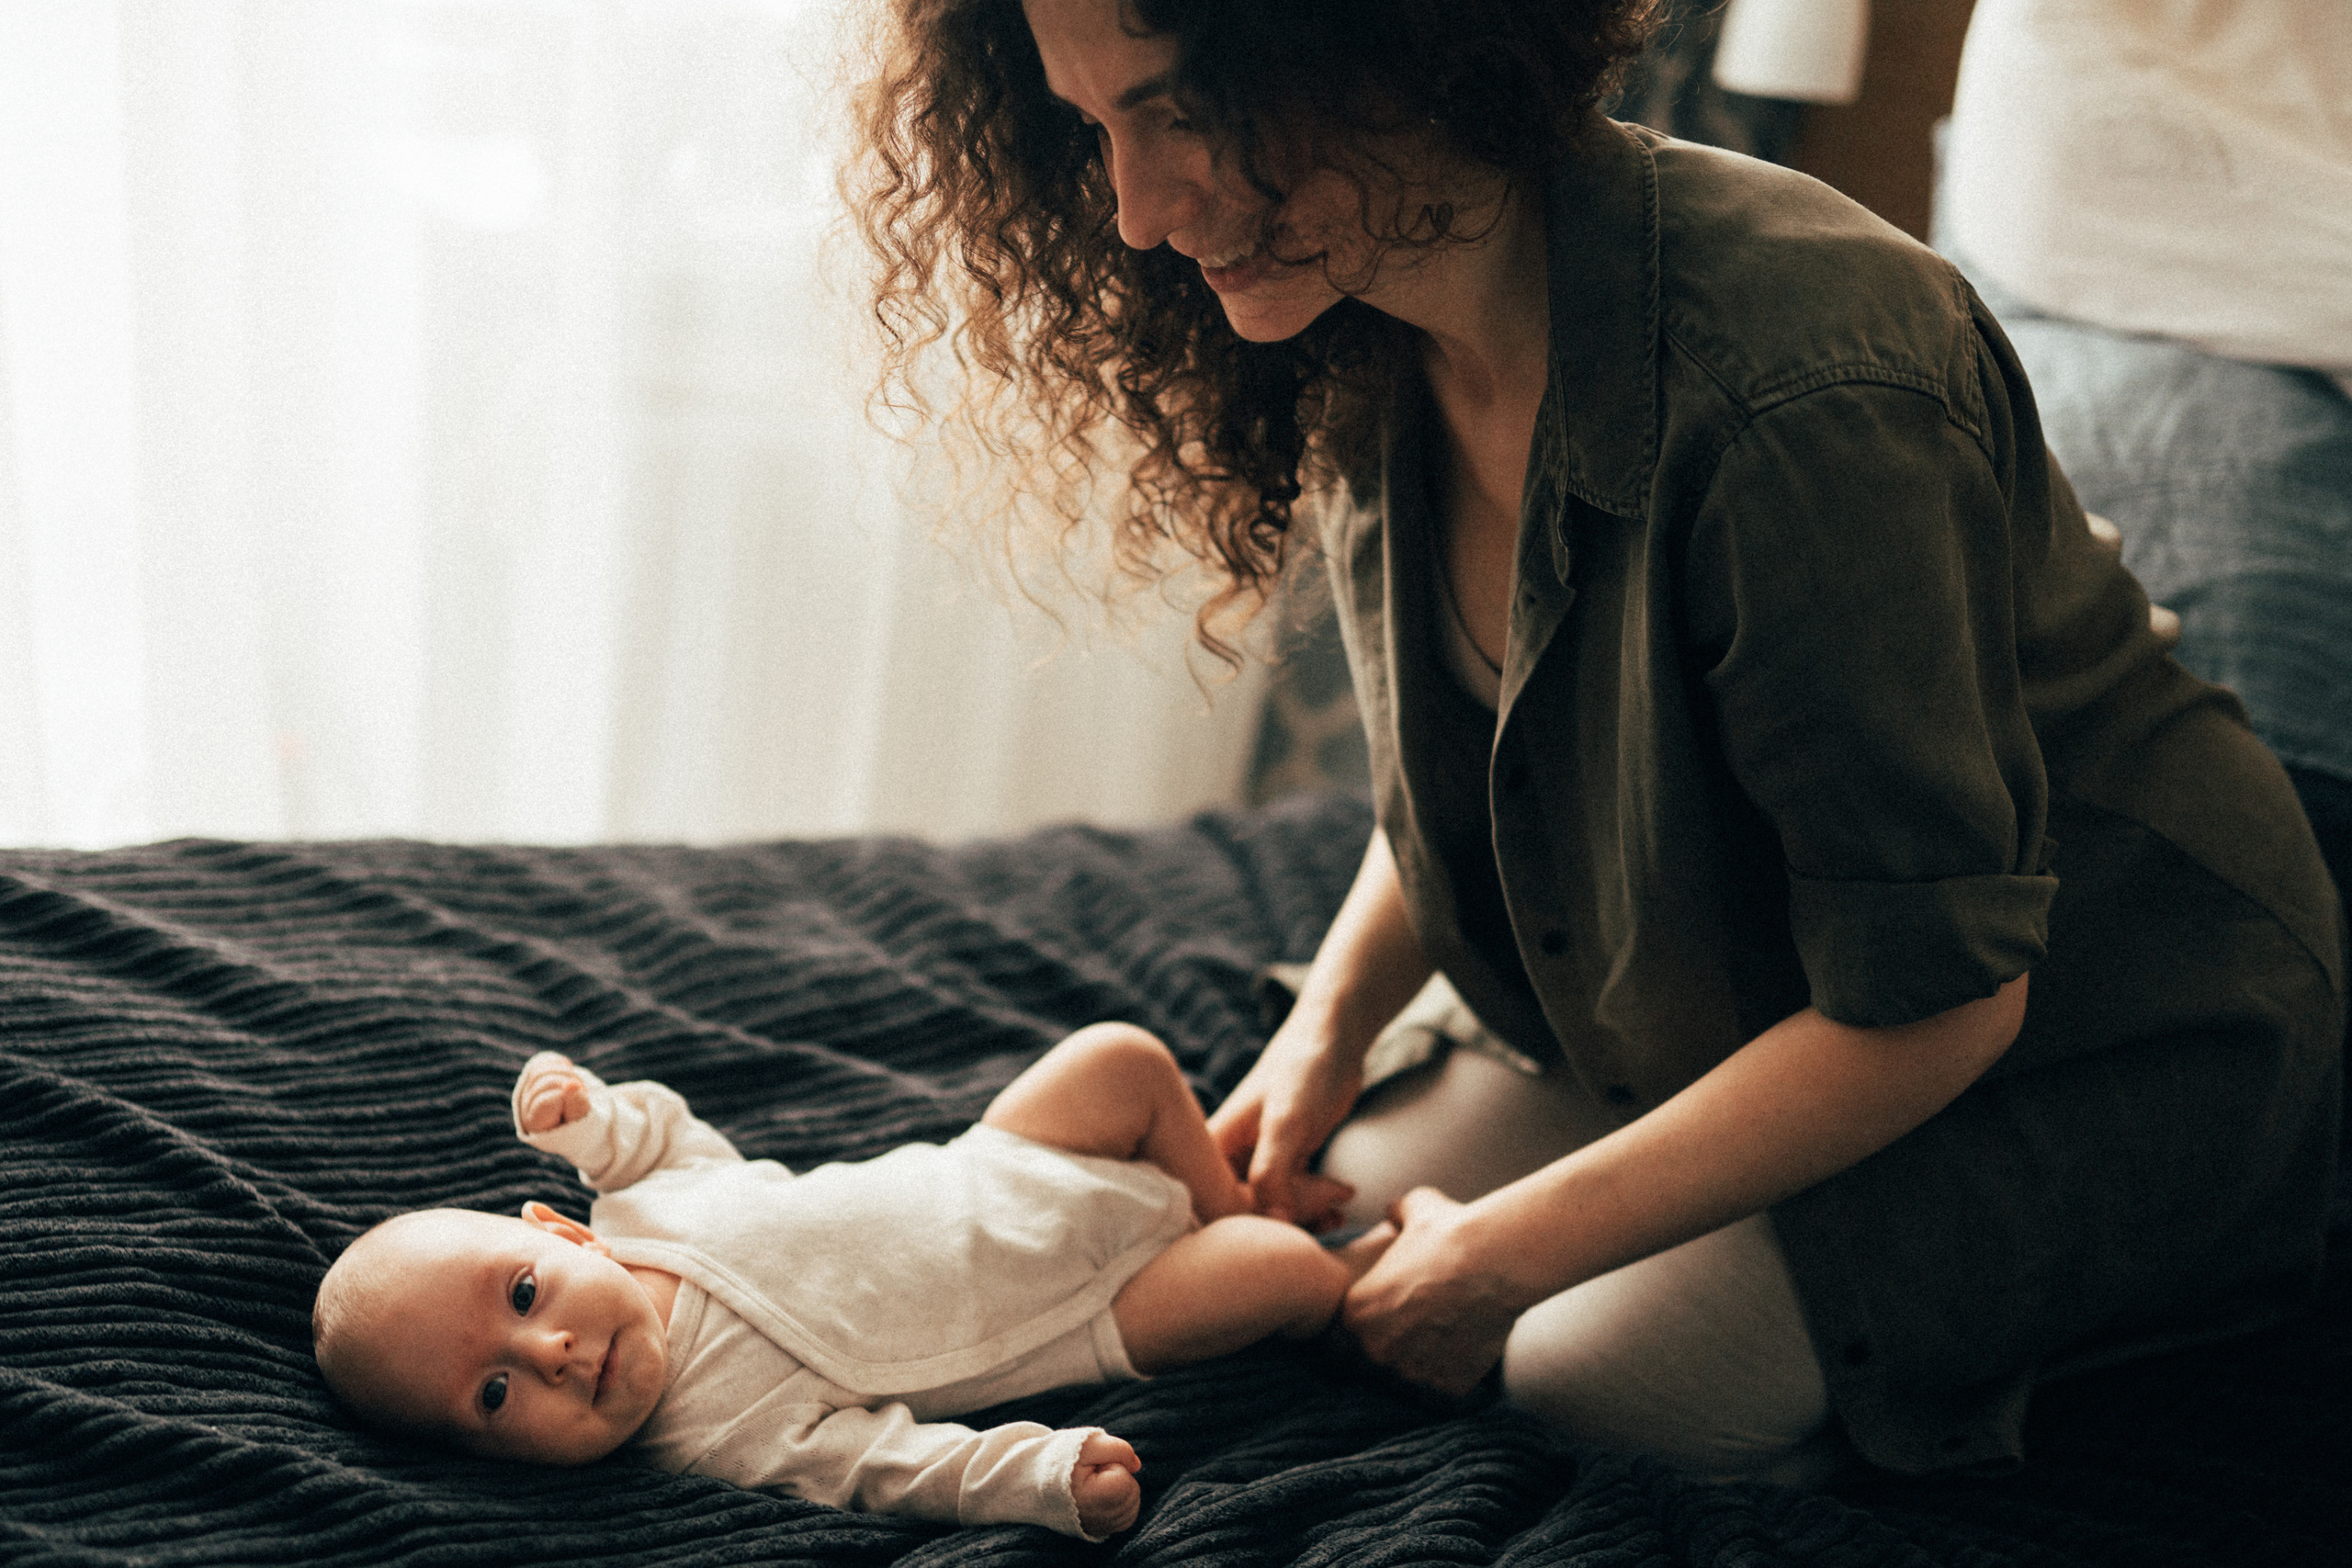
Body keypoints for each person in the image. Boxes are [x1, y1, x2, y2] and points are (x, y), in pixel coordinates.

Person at [852, 0, 2345, 1483]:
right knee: (1328, 1229)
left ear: (1384, 48)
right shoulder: (1369, 322)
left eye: (1179, 111)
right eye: (1094, 126)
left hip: (2101, 1031)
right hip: (1753, 977)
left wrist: (1501, 1256)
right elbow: (1506, 748)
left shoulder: (1806, 398)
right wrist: (1325, 1038)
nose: (1134, 211)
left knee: (1592, 1374)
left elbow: (1946, 998)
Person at [311, 1025, 1382, 1540]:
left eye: (523, 1295)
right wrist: (1041, 1476)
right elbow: (892, 1466)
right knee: (1278, 1273)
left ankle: (1228, 1197)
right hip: (1093, 1311)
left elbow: (659, 1139)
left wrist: (588, 1116)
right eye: (495, 1396)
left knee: (1122, 1060)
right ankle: (1341, 1283)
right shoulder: (715, 1430)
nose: (548, 1355)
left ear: (559, 1232)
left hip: (1003, 1163)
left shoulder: (639, 1209)